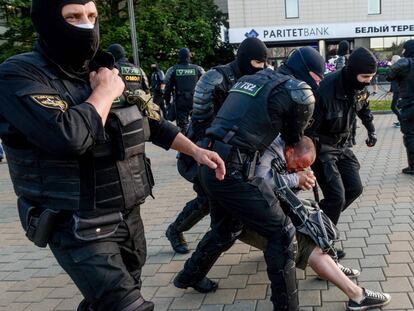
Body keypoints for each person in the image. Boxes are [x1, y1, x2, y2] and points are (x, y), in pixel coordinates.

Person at [0, 1, 225, 311]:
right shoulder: (19, 74)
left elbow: (148, 123)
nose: (86, 26)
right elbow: (69, 136)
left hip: (127, 212)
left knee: (116, 296)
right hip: (75, 221)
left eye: (91, 16)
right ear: (49, 21)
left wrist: (196, 151)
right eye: (73, 17)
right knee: (127, 305)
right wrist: (104, 92)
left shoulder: (101, 70)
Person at [173, 47, 325, 311]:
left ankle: (189, 276)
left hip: (210, 161)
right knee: (281, 232)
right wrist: (295, 176)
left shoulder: (252, 79)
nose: (320, 82)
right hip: (234, 169)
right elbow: (292, 142)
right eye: (318, 76)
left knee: (226, 228)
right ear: (307, 73)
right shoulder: (298, 92)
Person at [178, 135, 391, 311]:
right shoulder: (267, 149)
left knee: (220, 237)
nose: (299, 169)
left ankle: (188, 276)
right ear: (289, 151)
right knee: (302, 244)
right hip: (242, 210)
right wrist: (295, 180)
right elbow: (262, 181)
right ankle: (356, 294)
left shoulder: (265, 142)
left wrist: (299, 179)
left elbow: (277, 185)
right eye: (299, 165)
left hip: (234, 206)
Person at [166, 37, 268, 254]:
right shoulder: (215, 78)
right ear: (244, 59)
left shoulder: (258, 78)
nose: (261, 68)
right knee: (207, 199)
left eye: (263, 63)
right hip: (204, 148)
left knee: (217, 201)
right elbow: (201, 122)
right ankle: (175, 231)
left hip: (236, 151)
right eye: (257, 63)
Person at [306, 47, 378, 260]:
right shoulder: (324, 89)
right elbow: (307, 129)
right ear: (352, 70)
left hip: (343, 145)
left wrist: (371, 129)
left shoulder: (359, 88)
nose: (368, 81)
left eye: (372, 77)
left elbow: (364, 107)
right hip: (322, 148)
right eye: (365, 77)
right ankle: (323, 246)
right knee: (336, 197)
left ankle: (315, 221)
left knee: (354, 188)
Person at [387, 40, 414, 174]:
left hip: (409, 105)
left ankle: (413, 167)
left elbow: (389, 75)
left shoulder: (405, 63)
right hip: (408, 104)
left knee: (409, 135)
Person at [164, 48, 205, 132]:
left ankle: (186, 140)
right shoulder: (198, 69)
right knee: (197, 124)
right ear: (188, 57)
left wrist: (167, 103)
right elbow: (206, 84)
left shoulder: (173, 69)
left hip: (180, 101)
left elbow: (167, 88)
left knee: (183, 126)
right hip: (195, 100)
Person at [388, 55, 401, 128]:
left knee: (394, 107)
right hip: (397, 91)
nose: (391, 61)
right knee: (398, 106)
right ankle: (401, 121)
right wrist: (390, 90)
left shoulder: (397, 69)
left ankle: (402, 121)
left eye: (392, 60)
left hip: (399, 91)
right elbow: (392, 81)